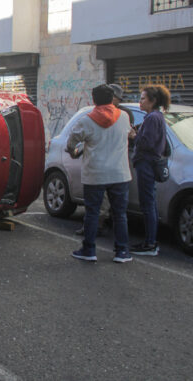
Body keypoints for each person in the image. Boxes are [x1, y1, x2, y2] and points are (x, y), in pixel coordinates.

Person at [67, 84, 133, 263]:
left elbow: (72, 142)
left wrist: (72, 150)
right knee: (120, 214)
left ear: (93, 99)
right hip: (120, 174)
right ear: (112, 99)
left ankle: (89, 249)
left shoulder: (87, 120)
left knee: (92, 213)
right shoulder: (124, 117)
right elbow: (130, 134)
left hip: (95, 174)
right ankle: (122, 252)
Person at [129, 85, 170, 256]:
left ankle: (150, 243)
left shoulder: (153, 118)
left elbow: (147, 143)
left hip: (147, 163)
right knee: (148, 202)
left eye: (143, 98)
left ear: (152, 101)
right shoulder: (153, 117)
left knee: (148, 203)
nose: (140, 101)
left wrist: (134, 136)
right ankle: (149, 241)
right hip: (146, 163)